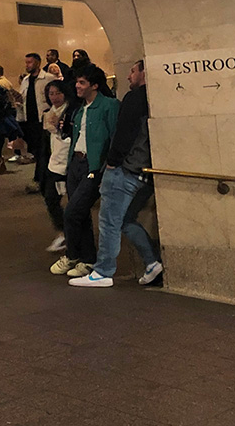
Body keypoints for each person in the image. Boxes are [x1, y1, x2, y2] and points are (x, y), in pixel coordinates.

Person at [71, 61, 164, 287]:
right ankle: (152, 263)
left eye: (133, 71)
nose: (129, 76)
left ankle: (103, 272)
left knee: (109, 221)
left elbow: (124, 134)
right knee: (125, 219)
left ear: (144, 73)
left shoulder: (133, 99)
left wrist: (112, 162)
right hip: (144, 171)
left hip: (125, 169)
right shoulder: (155, 97)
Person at [50, 65, 119, 279]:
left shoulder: (109, 106)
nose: (77, 86)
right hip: (76, 164)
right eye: (77, 82)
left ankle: (73, 254)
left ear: (94, 85)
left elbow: (115, 137)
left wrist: (107, 166)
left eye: (82, 82)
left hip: (94, 165)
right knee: (81, 215)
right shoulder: (81, 108)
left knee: (72, 212)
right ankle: (87, 259)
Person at [40, 78, 73, 253]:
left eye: (58, 93)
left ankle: (73, 236)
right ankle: (63, 232)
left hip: (68, 162)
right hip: (53, 163)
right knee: (51, 198)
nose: (54, 97)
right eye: (51, 94)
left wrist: (59, 128)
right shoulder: (47, 113)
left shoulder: (71, 112)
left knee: (73, 201)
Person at [18, 53, 56, 194]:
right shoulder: (26, 81)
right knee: (36, 151)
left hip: (44, 120)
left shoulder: (48, 79)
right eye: (26, 62)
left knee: (43, 151)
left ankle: (40, 180)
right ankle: (42, 178)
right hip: (30, 121)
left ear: (38, 63)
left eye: (30, 62)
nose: (27, 65)